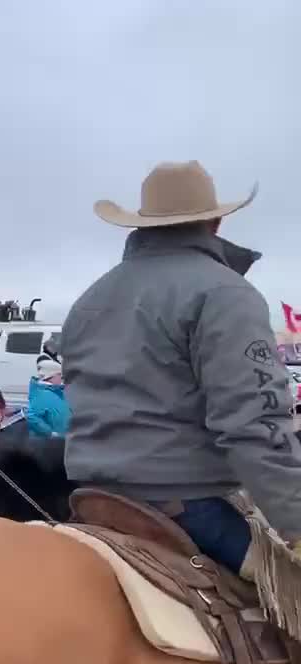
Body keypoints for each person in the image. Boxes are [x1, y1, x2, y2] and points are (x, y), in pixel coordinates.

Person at [62, 160, 301, 575]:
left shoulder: (90, 298)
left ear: (143, 224)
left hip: (94, 499)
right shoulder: (226, 294)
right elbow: (255, 425)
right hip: (186, 506)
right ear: (215, 222)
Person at [27, 358, 69, 437]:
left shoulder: (57, 391)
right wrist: (50, 433)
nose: (62, 378)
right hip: (48, 444)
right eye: (59, 375)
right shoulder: (40, 394)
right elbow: (31, 416)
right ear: (50, 376)